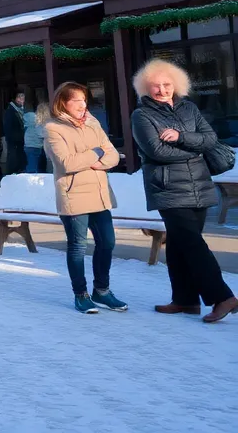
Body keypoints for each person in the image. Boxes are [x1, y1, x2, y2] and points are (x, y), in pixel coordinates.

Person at [131, 59, 238, 323]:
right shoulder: (142, 115)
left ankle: (185, 300)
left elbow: (210, 138)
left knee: (179, 244)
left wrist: (181, 137)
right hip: (168, 188)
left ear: (176, 85)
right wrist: (196, 150)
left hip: (200, 185)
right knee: (192, 242)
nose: (162, 90)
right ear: (146, 88)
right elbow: (156, 151)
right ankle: (222, 296)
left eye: (167, 84)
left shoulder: (189, 108)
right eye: (155, 86)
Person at [43, 82, 128, 314]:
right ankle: (81, 294)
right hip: (73, 195)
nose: (83, 105)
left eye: (84, 100)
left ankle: (102, 290)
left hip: (100, 193)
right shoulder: (53, 128)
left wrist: (96, 159)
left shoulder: (93, 122)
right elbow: (67, 163)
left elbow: (113, 155)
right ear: (63, 103)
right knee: (78, 246)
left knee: (107, 242)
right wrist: (97, 153)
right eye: (77, 101)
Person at [2, 91, 26, 175]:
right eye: (19, 97)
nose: (21, 100)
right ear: (15, 99)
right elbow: (7, 126)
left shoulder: (21, 110)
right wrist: (10, 138)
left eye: (23, 98)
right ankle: (12, 172)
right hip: (14, 139)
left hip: (19, 139)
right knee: (13, 155)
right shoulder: (10, 110)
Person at [22, 101, 48, 173]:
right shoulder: (39, 120)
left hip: (29, 145)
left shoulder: (30, 118)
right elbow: (41, 134)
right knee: (33, 169)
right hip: (35, 146)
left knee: (32, 167)